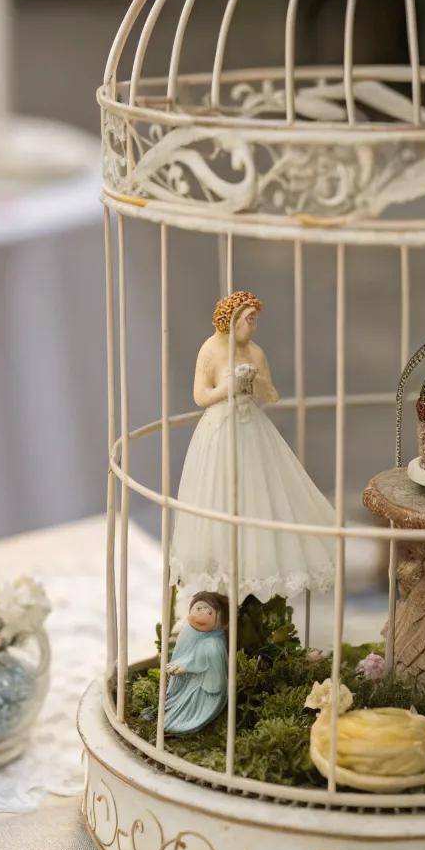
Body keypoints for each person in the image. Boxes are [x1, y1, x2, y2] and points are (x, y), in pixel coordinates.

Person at [170, 290, 335, 601]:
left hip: (251, 428)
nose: (253, 327)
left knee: (258, 492)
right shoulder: (210, 349)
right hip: (220, 428)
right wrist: (226, 387)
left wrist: (255, 381)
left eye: (255, 321)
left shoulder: (255, 352)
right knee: (220, 494)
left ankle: (256, 573)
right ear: (232, 320)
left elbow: (271, 395)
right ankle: (222, 577)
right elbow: (200, 396)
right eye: (249, 320)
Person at [161, 592, 229, 736]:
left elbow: (203, 658)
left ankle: (183, 722)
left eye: (209, 612)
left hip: (203, 687)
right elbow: (184, 653)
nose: (202, 616)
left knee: (189, 707)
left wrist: (185, 667)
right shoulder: (188, 631)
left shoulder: (213, 642)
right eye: (199, 609)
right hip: (188, 681)